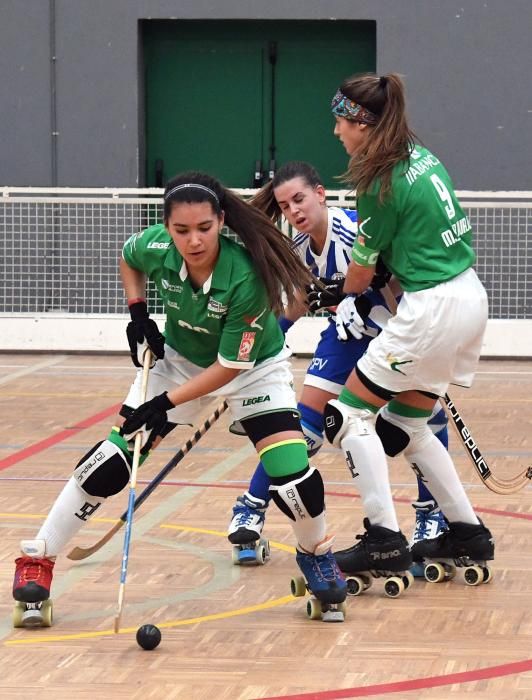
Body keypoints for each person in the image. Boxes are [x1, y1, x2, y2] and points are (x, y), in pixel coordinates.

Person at [11, 171, 347, 627]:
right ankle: (39, 558)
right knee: (110, 463)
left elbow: (230, 368)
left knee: (293, 481)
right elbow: (129, 259)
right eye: (181, 230)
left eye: (205, 229)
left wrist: (164, 404)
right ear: (167, 227)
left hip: (253, 371)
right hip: (179, 360)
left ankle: (316, 555)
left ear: (222, 221)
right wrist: (137, 315)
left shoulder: (245, 275)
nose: (193, 241)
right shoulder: (155, 246)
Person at [227, 160, 448, 573]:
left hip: (393, 333)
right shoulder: (299, 249)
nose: (294, 211)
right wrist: (270, 338)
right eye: (285, 205)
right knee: (301, 427)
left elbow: (398, 281)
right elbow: (297, 301)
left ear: (321, 193)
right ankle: (250, 509)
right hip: (346, 339)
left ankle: (430, 515)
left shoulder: (352, 233)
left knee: (422, 422)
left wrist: (416, 338)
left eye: (300, 199)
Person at [322, 73, 494, 584]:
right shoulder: (420, 156)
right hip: (467, 296)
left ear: (361, 123)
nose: (336, 132)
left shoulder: (377, 178)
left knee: (347, 419)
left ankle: (383, 541)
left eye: (340, 121)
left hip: (432, 307)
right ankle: (467, 532)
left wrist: (334, 292)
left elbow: (360, 273)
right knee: (406, 426)